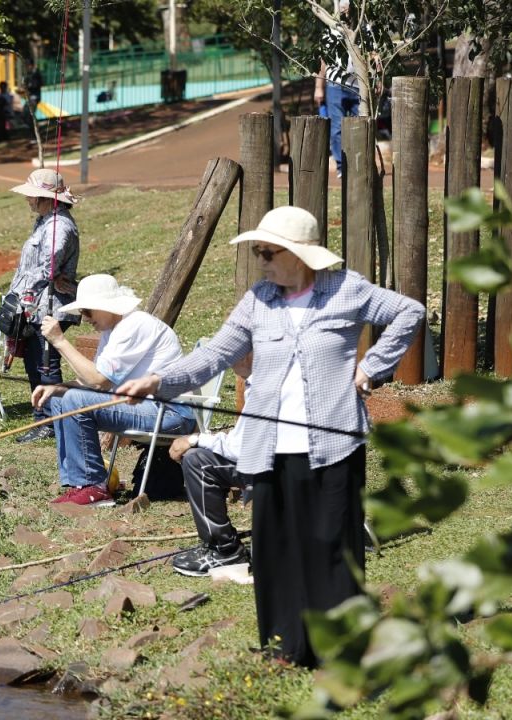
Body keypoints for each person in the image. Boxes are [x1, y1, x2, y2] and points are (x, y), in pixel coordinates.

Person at [117, 206, 424, 667]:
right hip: (269, 447)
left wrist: (372, 370)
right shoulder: (257, 300)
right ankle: (283, 649)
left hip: (332, 444)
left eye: (267, 251)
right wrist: (158, 382)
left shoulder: (347, 290)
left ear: (299, 254)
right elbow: (215, 355)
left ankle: (340, 651)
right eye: (257, 251)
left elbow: (409, 312)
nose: (260, 260)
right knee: (275, 550)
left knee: (330, 547)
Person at [33, 274, 195, 505]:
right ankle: (78, 484)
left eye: (87, 311)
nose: (84, 317)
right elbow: (93, 382)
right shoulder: (113, 330)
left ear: (106, 306)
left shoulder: (135, 325)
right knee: (60, 399)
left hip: (171, 413)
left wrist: (60, 341)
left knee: (74, 401)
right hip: (146, 408)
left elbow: (99, 381)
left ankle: (93, 486)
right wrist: (57, 388)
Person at [6, 169, 80, 443]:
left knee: (47, 362)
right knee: (35, 362)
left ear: (47, 198)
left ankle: (50, 421)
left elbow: (49, 266)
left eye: (33, 196)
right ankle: (40, 419)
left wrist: (25, 293)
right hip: (33, 304)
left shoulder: (60, 226)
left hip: (51, 305)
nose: (29, 200)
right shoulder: (44, 221)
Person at [167, 356, 254, 577]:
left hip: (277, 468)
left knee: (198, 461)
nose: (232, 363)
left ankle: (224, 551)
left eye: (236, 355)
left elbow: (241, 449)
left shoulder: (265, 384)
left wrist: (195, 439)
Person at [316, 0, 359, 177]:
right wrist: (319, 87)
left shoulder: (363, 29)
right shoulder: (330, 32)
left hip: (358, 86)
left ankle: (360, 162)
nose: (344, 12)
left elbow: (374, 55)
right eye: (342, 8)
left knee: (362, 125)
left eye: (347, 9)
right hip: (335, 85)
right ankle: (342, 167)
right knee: (336, 129)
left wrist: (377, 80)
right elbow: (323, 62)